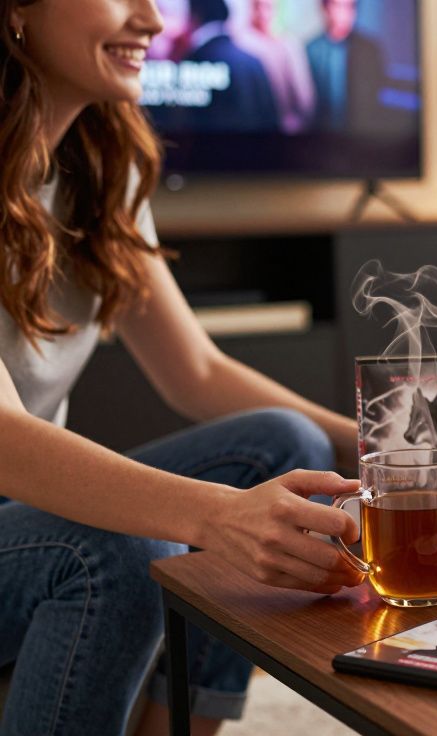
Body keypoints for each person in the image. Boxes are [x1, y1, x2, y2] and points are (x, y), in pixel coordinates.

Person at [0, 0, 365, 734]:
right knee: (121, 546)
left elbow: (194, 370)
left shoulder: (99, 170)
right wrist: (218, 515)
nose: (152, 18)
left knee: (289, 441)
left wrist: (378, 448)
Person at [183, 0, 279, 132]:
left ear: (195, 14)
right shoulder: (253, 60)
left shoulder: (194, 59)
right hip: (261, 149)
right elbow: (273, 119)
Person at [235, 0, 316, 134]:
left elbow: (306, 101)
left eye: (268, 7)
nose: (262, 13)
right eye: (257, 6)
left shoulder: (289, 46)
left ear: (277, 9)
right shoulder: (240, 44)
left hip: (285, 133)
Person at [306, 0, 384, 131]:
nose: (345, 14)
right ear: (325, 9)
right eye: (339, 6)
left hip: (361, 136)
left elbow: (374, 99)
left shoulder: (370, 50)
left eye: (350, 7)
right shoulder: (310, 50)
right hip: (320, 137)